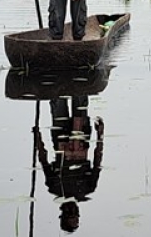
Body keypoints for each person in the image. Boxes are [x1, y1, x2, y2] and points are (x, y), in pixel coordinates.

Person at [34, 96, 105, 233]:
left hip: (60, 135)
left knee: (57, 99)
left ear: (62, 213)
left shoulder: (55, 188)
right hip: (81, 135)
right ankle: (81, 75)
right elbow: (97, 161)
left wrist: (38, 139)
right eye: (75, 214)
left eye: (70, 213)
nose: (72, 209)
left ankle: (55, 76)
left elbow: (44, 161)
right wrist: (100, 136)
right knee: (80, 97)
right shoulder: (88, 188)